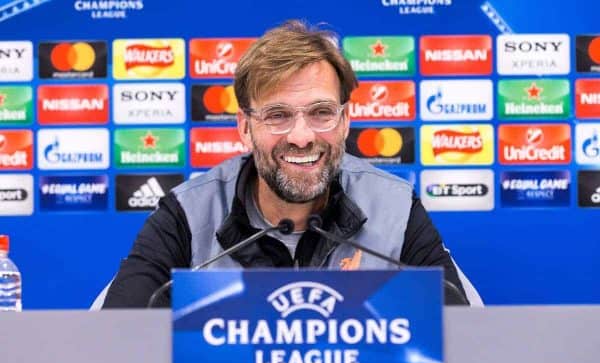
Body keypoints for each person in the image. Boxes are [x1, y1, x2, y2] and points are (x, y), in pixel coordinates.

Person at [100, 20, 482, 308]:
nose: (302, 136)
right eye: (278, 115)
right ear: (245, 127)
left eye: (321, 112)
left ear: (345, 122)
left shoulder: (394, 207)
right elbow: (117, 341)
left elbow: (463, 340)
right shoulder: (187, 212)